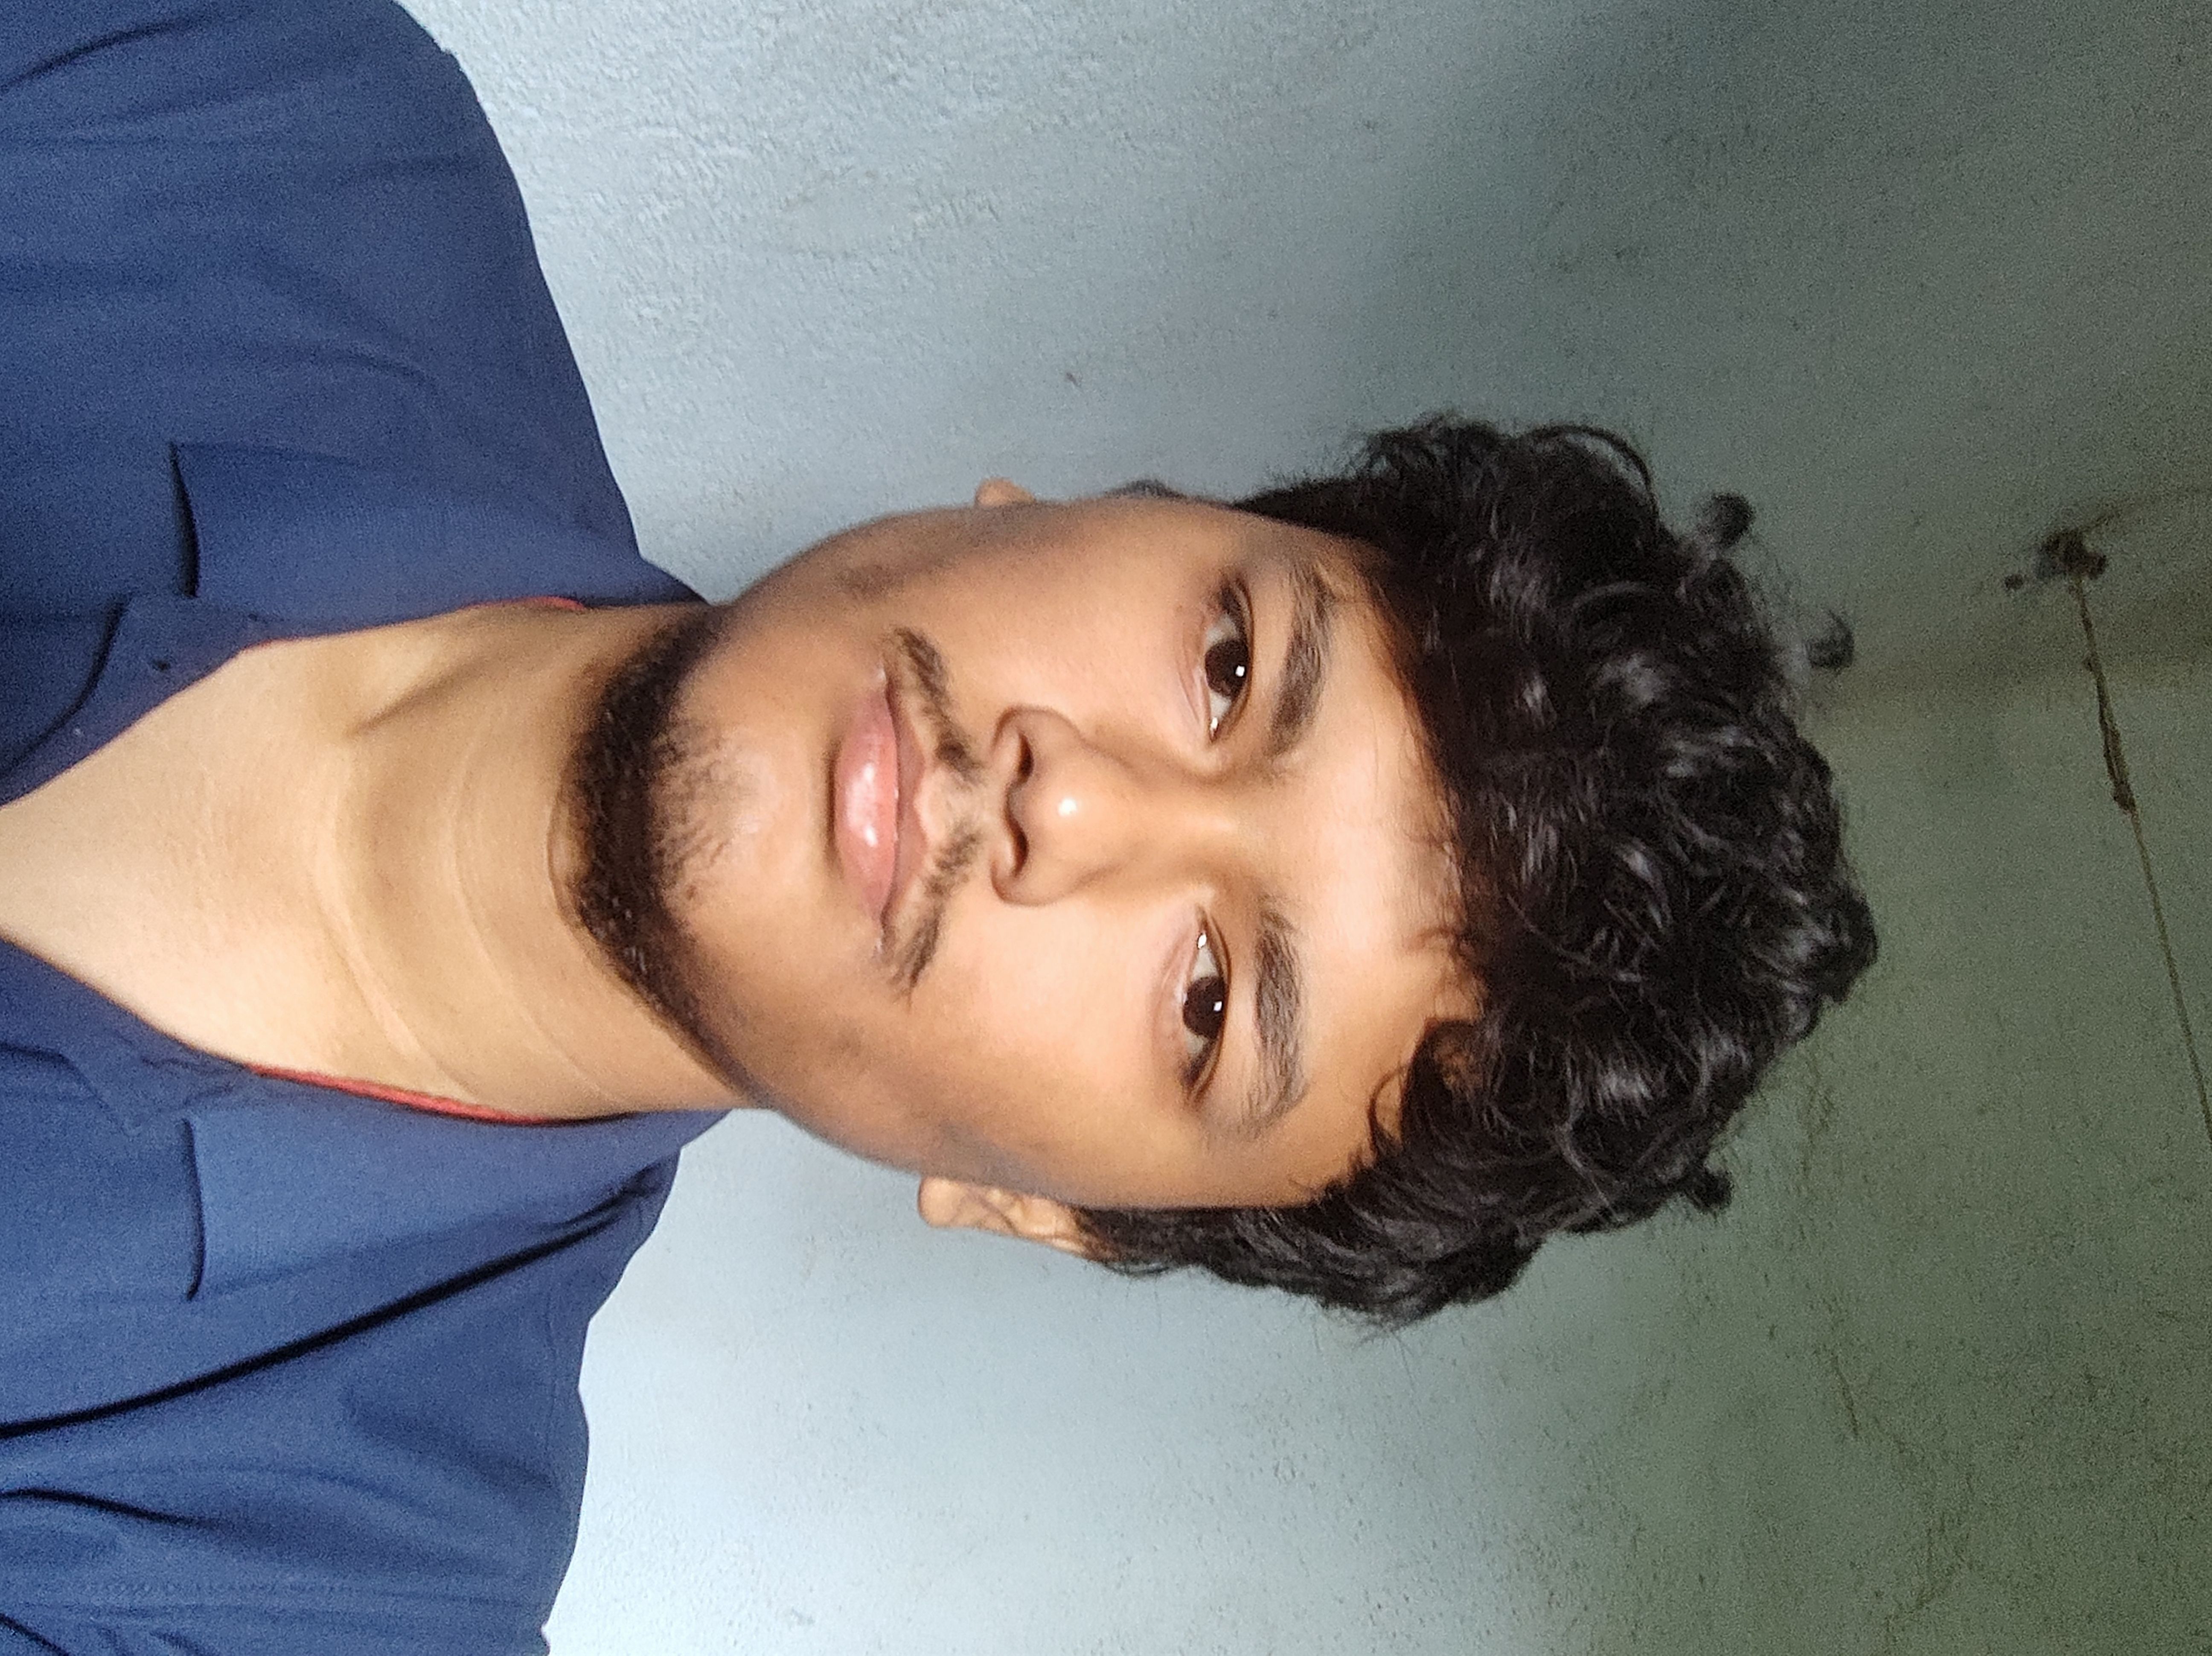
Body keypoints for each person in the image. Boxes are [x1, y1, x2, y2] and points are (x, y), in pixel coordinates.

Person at [0, 0, 1875, 1650]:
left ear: (1053, 1211)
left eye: (1211, 1000)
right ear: (1067, 504)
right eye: (1230, 667)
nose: (1080, 799)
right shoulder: (275, 116)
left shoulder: (310, 1589)